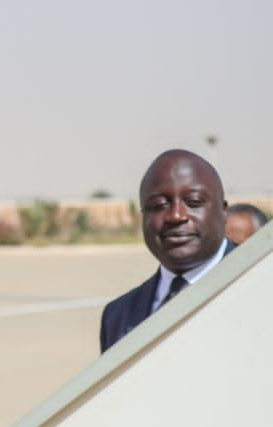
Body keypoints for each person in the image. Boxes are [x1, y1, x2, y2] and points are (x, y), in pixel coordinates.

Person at [100, 149, 235, 353]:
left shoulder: (261, 291)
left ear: (223, 211)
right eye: (159, 205)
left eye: (194, 202)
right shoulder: (118, 315)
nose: (176, 215)